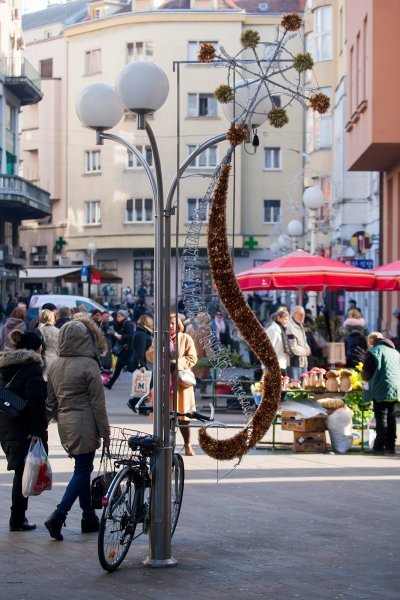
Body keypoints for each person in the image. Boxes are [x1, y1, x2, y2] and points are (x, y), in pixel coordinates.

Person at [44, 315, 110, 541]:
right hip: (86, 423)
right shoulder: (89, 365)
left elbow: (50, 403)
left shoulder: (55, 365)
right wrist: (106, 432)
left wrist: (40, 426)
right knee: (82, 471)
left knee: (82, 469)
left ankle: (88, 516)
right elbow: (98, 404)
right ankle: (58, 515)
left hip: (65, 424)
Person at [0, 330, 47, 531]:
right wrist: (37, 430)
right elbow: (36, 402)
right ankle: (17, 519)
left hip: (5, 422)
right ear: (36, 348)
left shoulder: (5, 365)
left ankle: (17, 518)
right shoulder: (33, 368)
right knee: (22, 471)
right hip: (24, 426)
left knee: (20, 470)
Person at [147, 314, 198, 455]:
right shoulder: (159, 339)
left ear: (178, 325)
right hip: (164, 383)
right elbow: (149, 355)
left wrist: (178, 363)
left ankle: (188, 444)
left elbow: (193, 358)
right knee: (167, 417)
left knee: (183, 418)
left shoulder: (186, 338)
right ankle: (168, 448)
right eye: (168, 323)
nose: (170, 326)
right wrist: (159, 351)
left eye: (173, 323)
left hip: (181, 385)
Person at [362, 332, 400, 454]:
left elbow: (367, 372)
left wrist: (365, 380)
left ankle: (379, 446)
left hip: (381, 387)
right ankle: (391, 446)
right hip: (395, 387)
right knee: (392, 416)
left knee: (381, 416)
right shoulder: (395, 352)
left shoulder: (374, 352)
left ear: (372, 342)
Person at [127, 314, 154, 411]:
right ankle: (135, 402)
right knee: (147, 384)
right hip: (141, 363)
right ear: (147, 322)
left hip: (140, 362)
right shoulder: (141, 334)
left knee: (143, 384)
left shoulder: (141, 332)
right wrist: (141, 365)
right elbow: (140, 351)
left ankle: (138, 404)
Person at [103, 310, 135, 390]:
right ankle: (110, 384)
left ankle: (145, 380)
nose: (117, 317)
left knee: (131, 368)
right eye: (117, 316)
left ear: (124, 316)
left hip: (127, 350)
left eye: (119, 316)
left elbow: (130, 335)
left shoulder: (128, 324)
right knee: (119, 367)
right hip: (122, 350)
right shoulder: (118, 323)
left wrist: (120, 336)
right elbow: (109, 329)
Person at [286, 306, 311, 380]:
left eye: (304, 314)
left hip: (303, 361)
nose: (303, 316)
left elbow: (304, 341)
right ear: (294, 314)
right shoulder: (290, 326)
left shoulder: (299, 324)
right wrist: (305, 351)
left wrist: (308, 348)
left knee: (304, 386)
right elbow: (293, 347)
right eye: (300, 314)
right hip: (294, 362)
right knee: (295, 386)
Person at [265, 309, 291, 375]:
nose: (286, 321)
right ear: (279, 318)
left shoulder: (281, 329)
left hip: (281, 362)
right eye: (285, 319)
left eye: (288, 320)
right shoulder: (273, 329)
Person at [37, 308, 60, 381]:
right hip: (57, 362)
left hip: (44, 362)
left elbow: (38, 348)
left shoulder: (39, 330)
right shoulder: (58, 331)